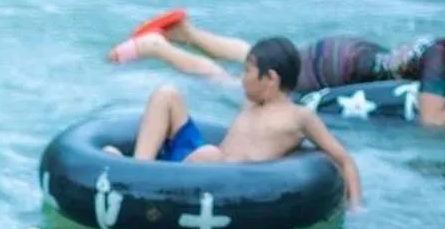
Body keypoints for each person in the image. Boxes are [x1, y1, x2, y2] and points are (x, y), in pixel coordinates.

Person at [108, 4, 445, 129]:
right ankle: (159, 49)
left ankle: (189, 33)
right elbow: (433, 120)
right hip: (336, 67)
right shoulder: (441, 59)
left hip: (354, 53)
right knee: (240, 82)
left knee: (256, 59)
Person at [104, 38, 365, 210]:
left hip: (220, 181)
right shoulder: (251, 102)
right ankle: (136, 173)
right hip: (196, 164)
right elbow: (208, 71)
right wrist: (166, 49)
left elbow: (343, 159)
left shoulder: (300, 117)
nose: (242, 79)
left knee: (211, 154)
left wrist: (356, 206)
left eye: (248, 71)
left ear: (270, 78)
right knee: (166, 94)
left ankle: (138, 188)